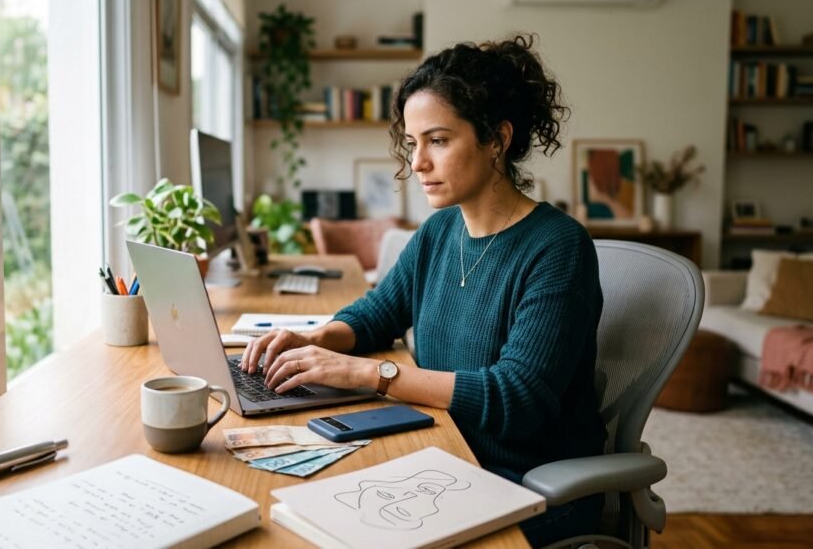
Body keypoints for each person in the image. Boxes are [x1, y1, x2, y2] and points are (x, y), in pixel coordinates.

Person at [241, 34, 606, 545]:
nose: (417, 163)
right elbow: (377, 313)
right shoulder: (439, 232)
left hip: (528, 481)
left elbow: (517, 397)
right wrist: (317, 339)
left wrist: (370, 372)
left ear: (497, 139)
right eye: (413, 144)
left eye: (438, 140)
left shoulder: (558, 248)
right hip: (445, 454)